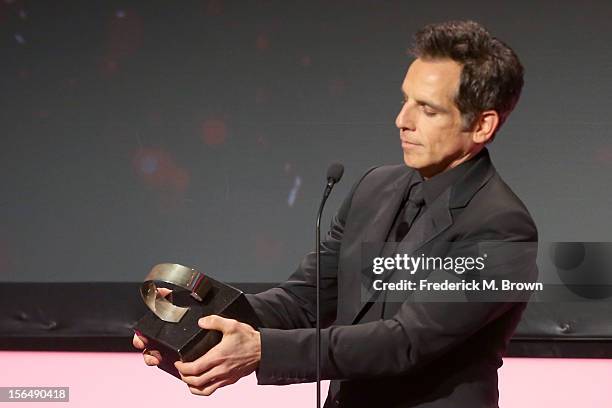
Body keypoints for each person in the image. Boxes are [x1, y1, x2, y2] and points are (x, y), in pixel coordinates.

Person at [133, 20, 538, 408]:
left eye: (427, 110)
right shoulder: (373, 189)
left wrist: (262, 351)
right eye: (405, 100)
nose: (402, 121)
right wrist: (201, 320)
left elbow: (405, 341)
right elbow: (304, 301)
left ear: (482, 125)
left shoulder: (501, 228)